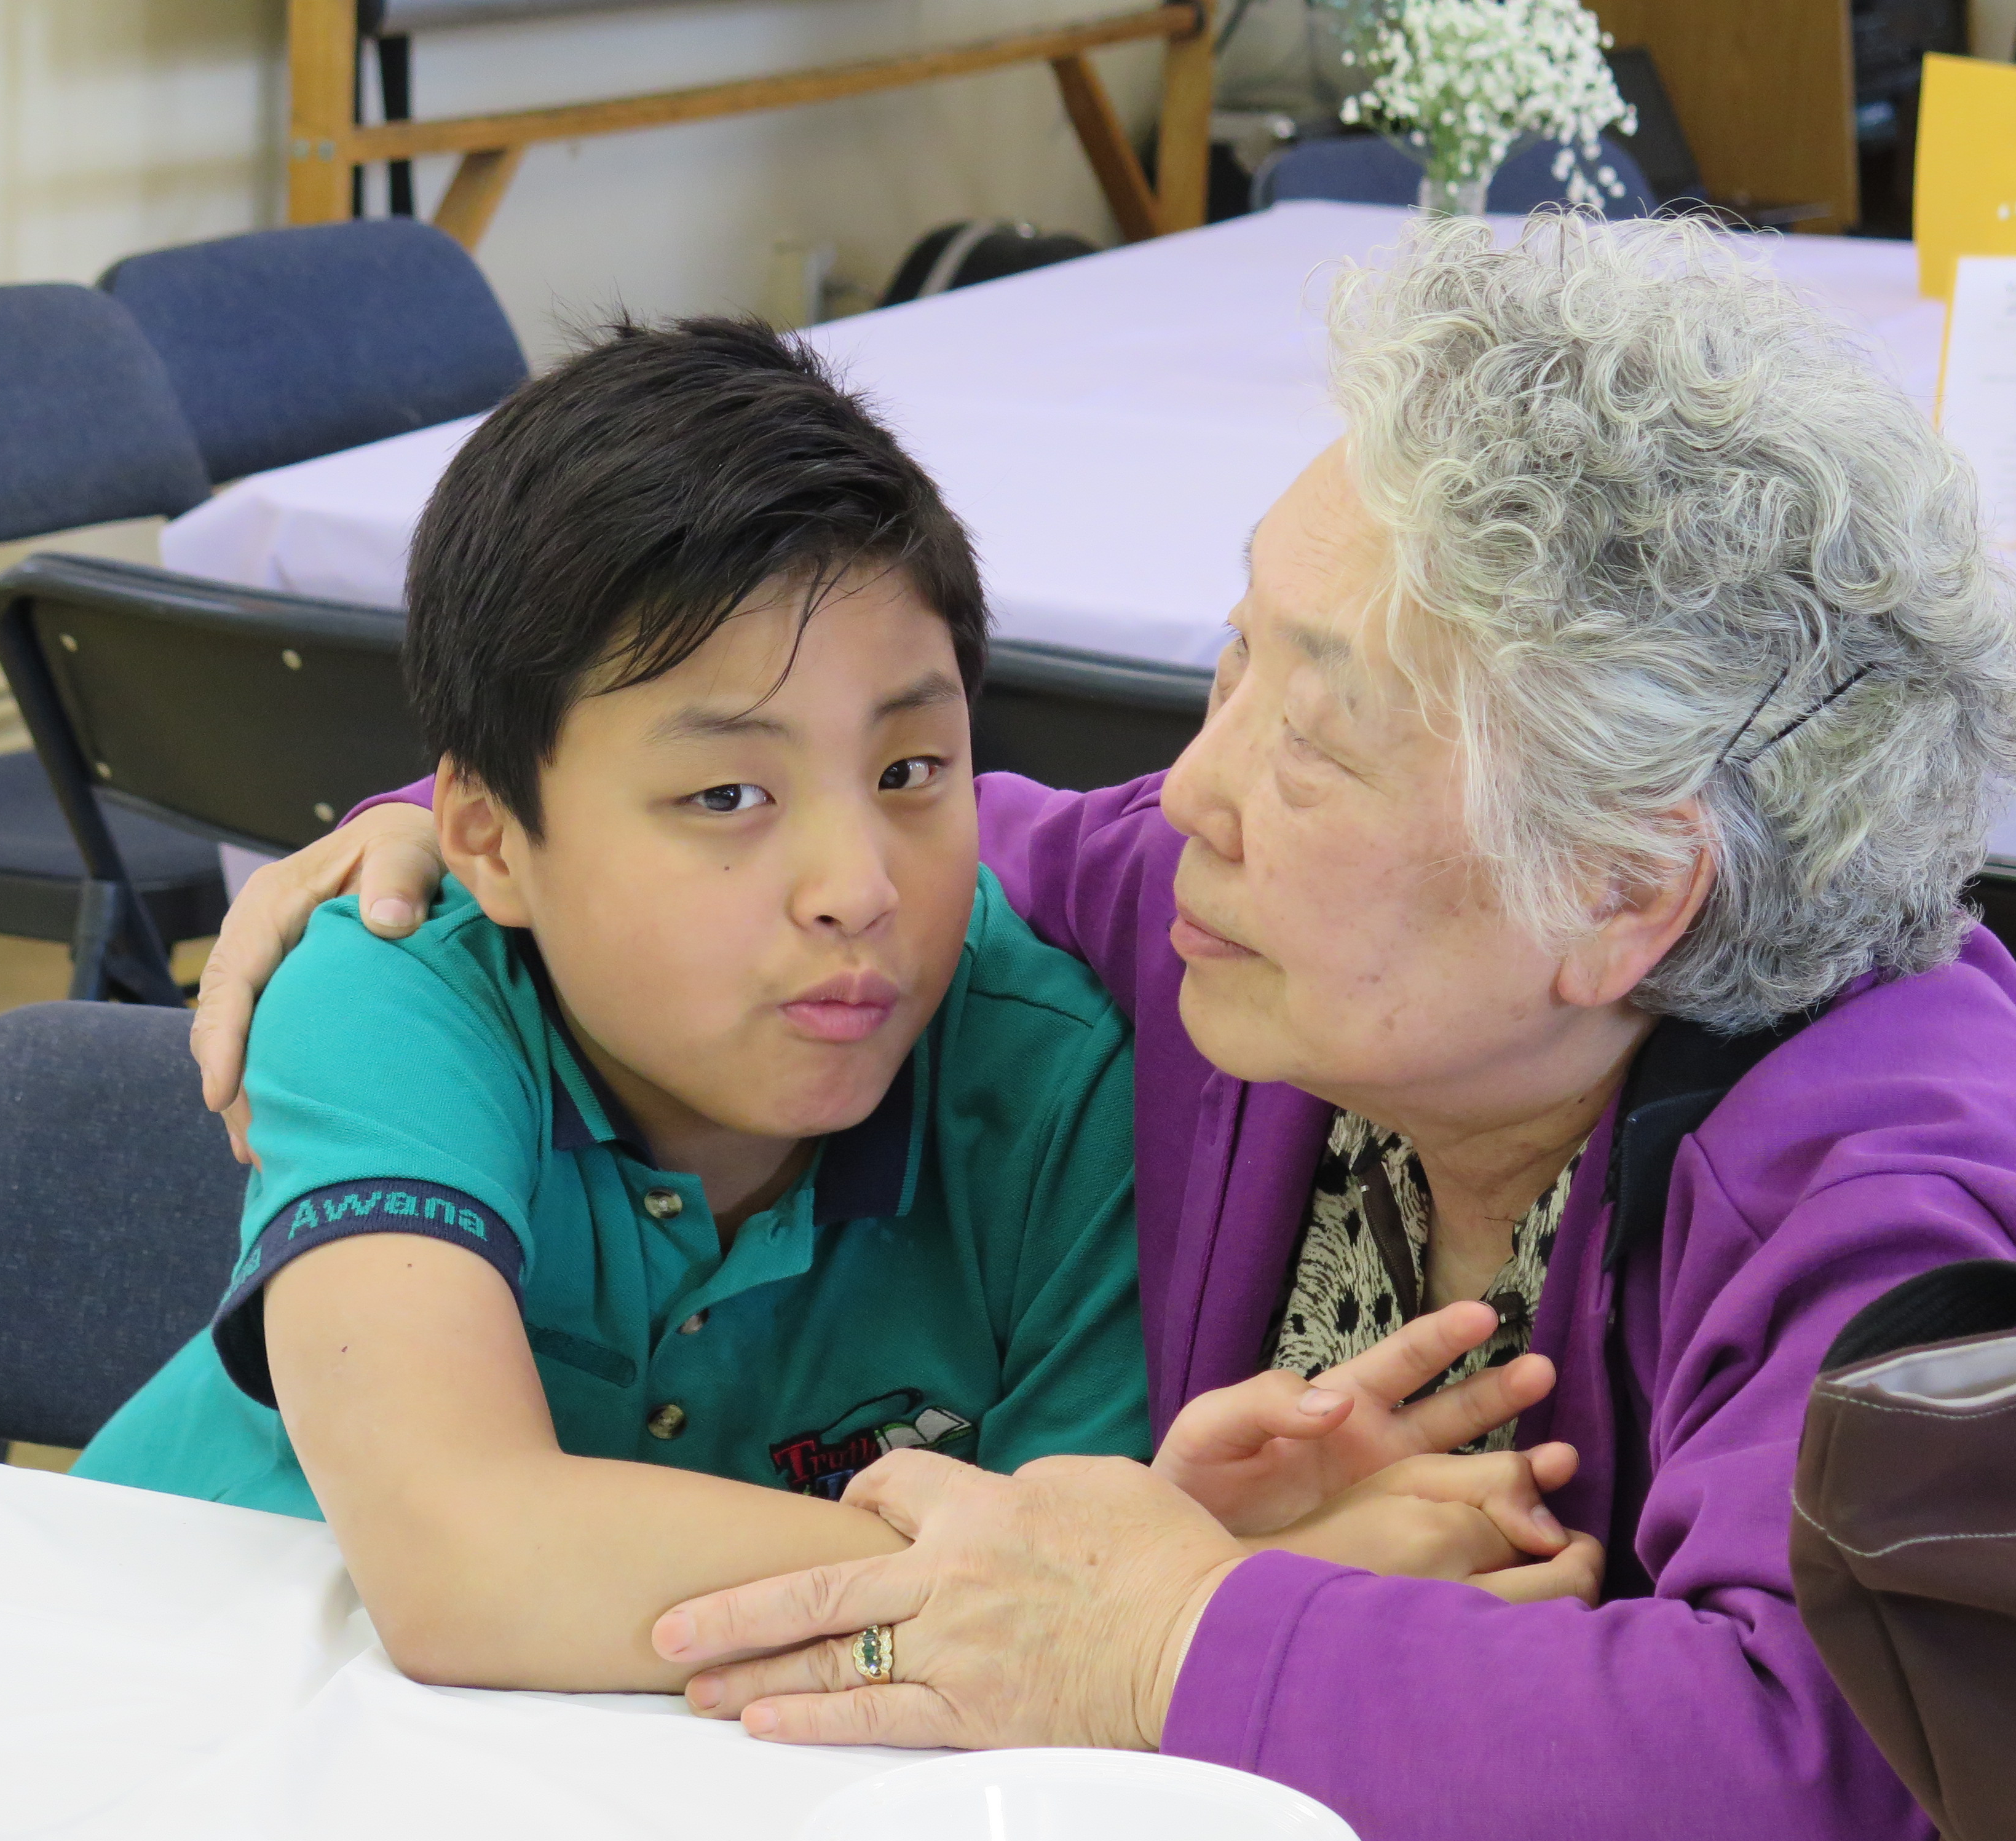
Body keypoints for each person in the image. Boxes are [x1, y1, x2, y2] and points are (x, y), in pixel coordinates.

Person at [191, 219, 2016, 1837]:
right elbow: (876, 838)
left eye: (1313, 736)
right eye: (1232, 664)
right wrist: (438, 833)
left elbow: (1840, 1769)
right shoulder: (1228, 919)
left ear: (1620, 892)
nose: (1195, 789)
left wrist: (1172, 1636)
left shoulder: (1913, 1180)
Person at [84, 315, 1589, 1697]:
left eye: (909, 772)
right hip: (172, 1709)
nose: (854, 888)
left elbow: (1031, 1660)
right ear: (485, 837)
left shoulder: (1050, 1079)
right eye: (725, 796)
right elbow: (465, 1561)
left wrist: (1139, 1579)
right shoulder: (397, 983)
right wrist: (1198, 1588)